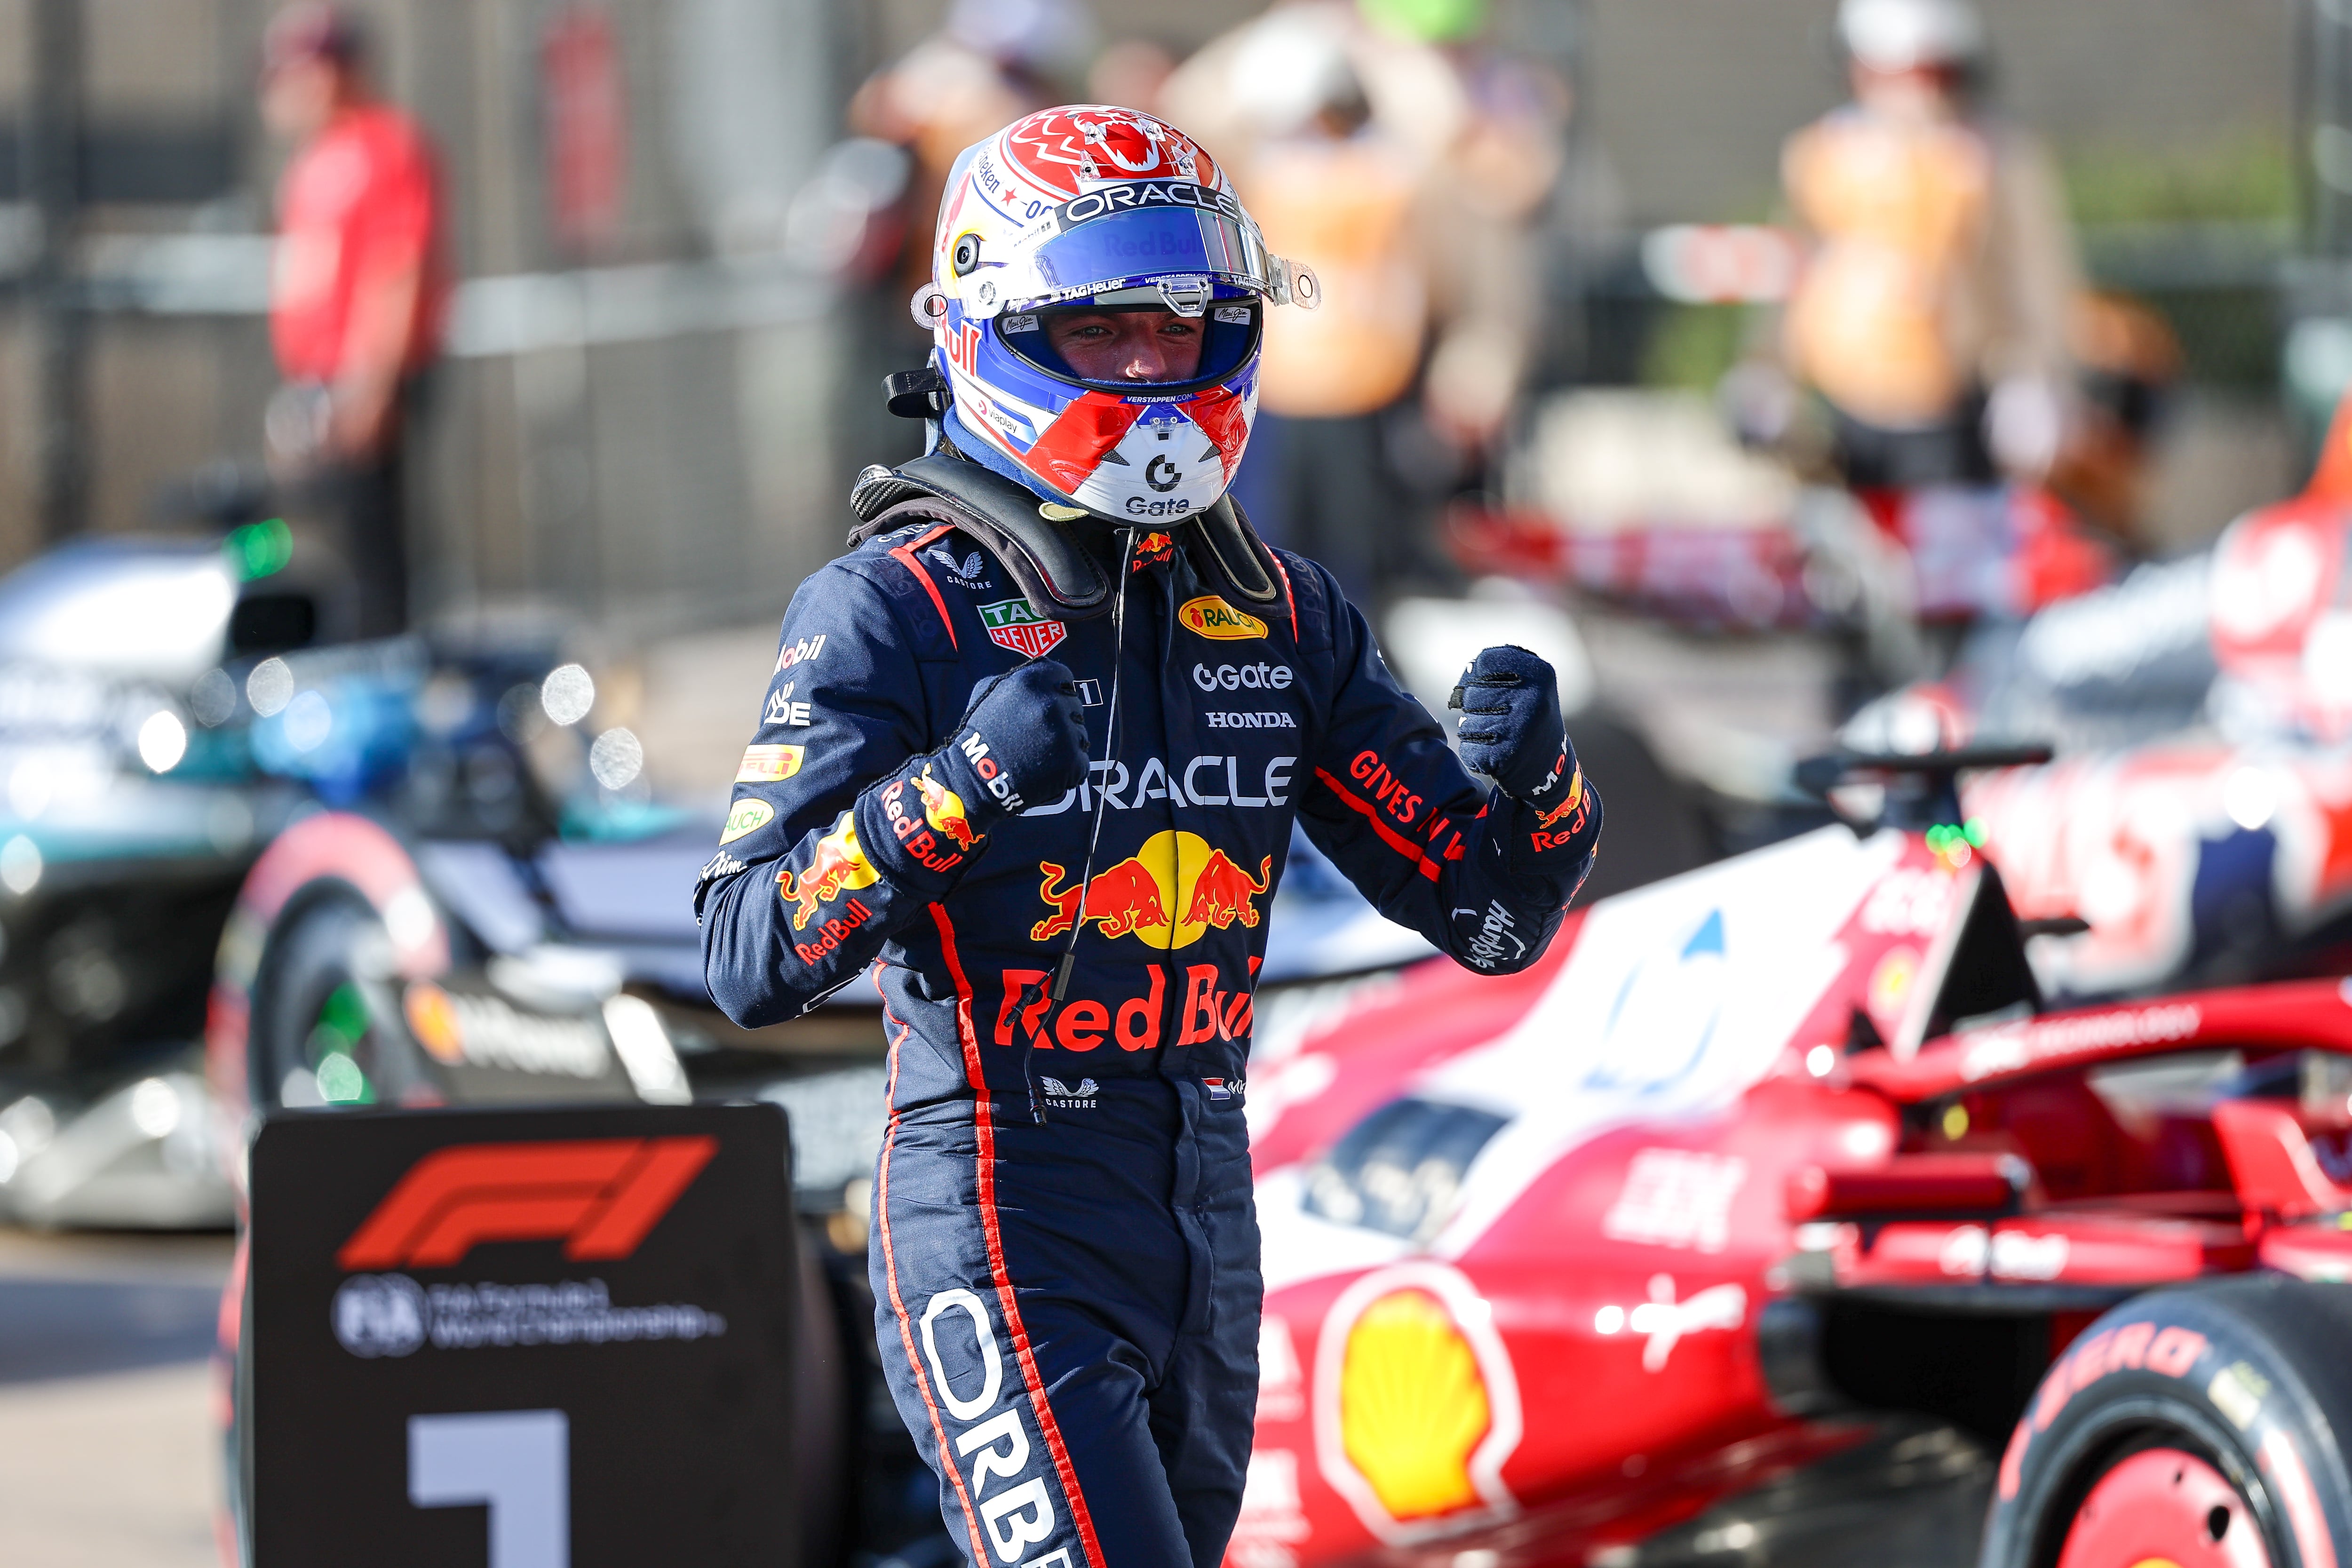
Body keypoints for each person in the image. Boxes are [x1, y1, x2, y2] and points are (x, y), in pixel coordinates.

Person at [697, 105, 1602, 1568]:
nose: (1148, 372)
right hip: (999, 1206)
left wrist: (1543, 783)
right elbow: (745, 952)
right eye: (1105, 331)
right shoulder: (888, 611)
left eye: (1182, 334)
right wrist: (957, 788)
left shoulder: (1282, 609)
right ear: (989, 331)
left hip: (1206, 1209)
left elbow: (1491, 918)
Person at [1161, 0, 1563, 605]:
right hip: (1273, 390)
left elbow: (1446, 136)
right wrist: (1292, 27)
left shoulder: (1389, 168)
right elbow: (1187, 109)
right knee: (1263, 557)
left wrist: (1384, 48)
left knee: (1357, 572)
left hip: (1371, 391)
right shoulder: (1265, 165)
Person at [1755, 0, 2085, 623]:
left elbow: (2030, 280)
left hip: (1953, 412)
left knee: (1951, 591)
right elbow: (1795, 276)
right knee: (1846, 584)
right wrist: (1769, 373)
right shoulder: (1822, 159)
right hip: (1843, 419)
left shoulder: (1991, 160)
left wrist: (2034, 379)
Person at [260, 2, 448, 638]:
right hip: (319, 384)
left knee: (372, 549)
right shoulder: (312, 162)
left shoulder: (383, 146)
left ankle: (386, 681)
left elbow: (394, 270)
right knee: (325, 544)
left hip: (364, 380)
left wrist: (368, 386)